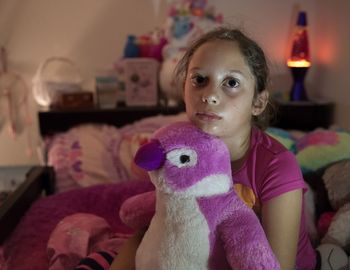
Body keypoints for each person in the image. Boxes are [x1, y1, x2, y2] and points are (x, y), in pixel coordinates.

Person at [78, 26, 316, 270]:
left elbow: (280, 265)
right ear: (184, 90)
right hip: (197, 253)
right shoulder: (178, 147)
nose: (210, 95)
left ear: (258, 102)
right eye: (199, 80)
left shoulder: (277, 166)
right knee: (139, 238)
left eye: (231, 82)